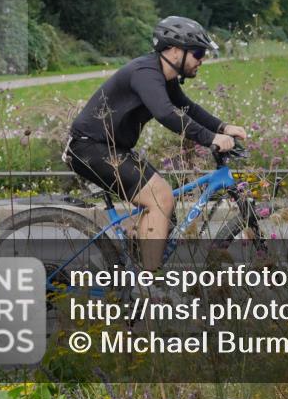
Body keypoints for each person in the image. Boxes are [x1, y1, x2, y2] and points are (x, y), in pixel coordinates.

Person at [62, 16, 246, 271]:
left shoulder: (164, 76)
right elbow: (166, 113)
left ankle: (129, 266)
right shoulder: (146, 73)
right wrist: (211, 138)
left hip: (111, 149)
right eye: (197, 52)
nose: (202, 59)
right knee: (160, 197)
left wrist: (223, 127)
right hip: (90, 148)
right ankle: (147, 283)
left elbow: (187, 108)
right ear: (174, 51)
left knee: (164, 206)